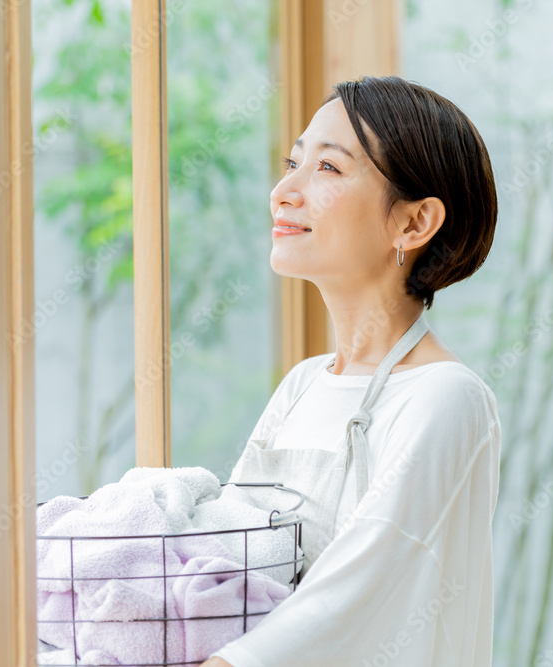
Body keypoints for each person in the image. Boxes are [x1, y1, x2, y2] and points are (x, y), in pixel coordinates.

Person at [204, 75, 502, 667]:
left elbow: (356, 594)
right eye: (292, 163)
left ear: (414, 223)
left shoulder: (446, 397)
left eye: (328, 168)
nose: (283, 192)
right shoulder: (303, 385)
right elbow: (224, 554)